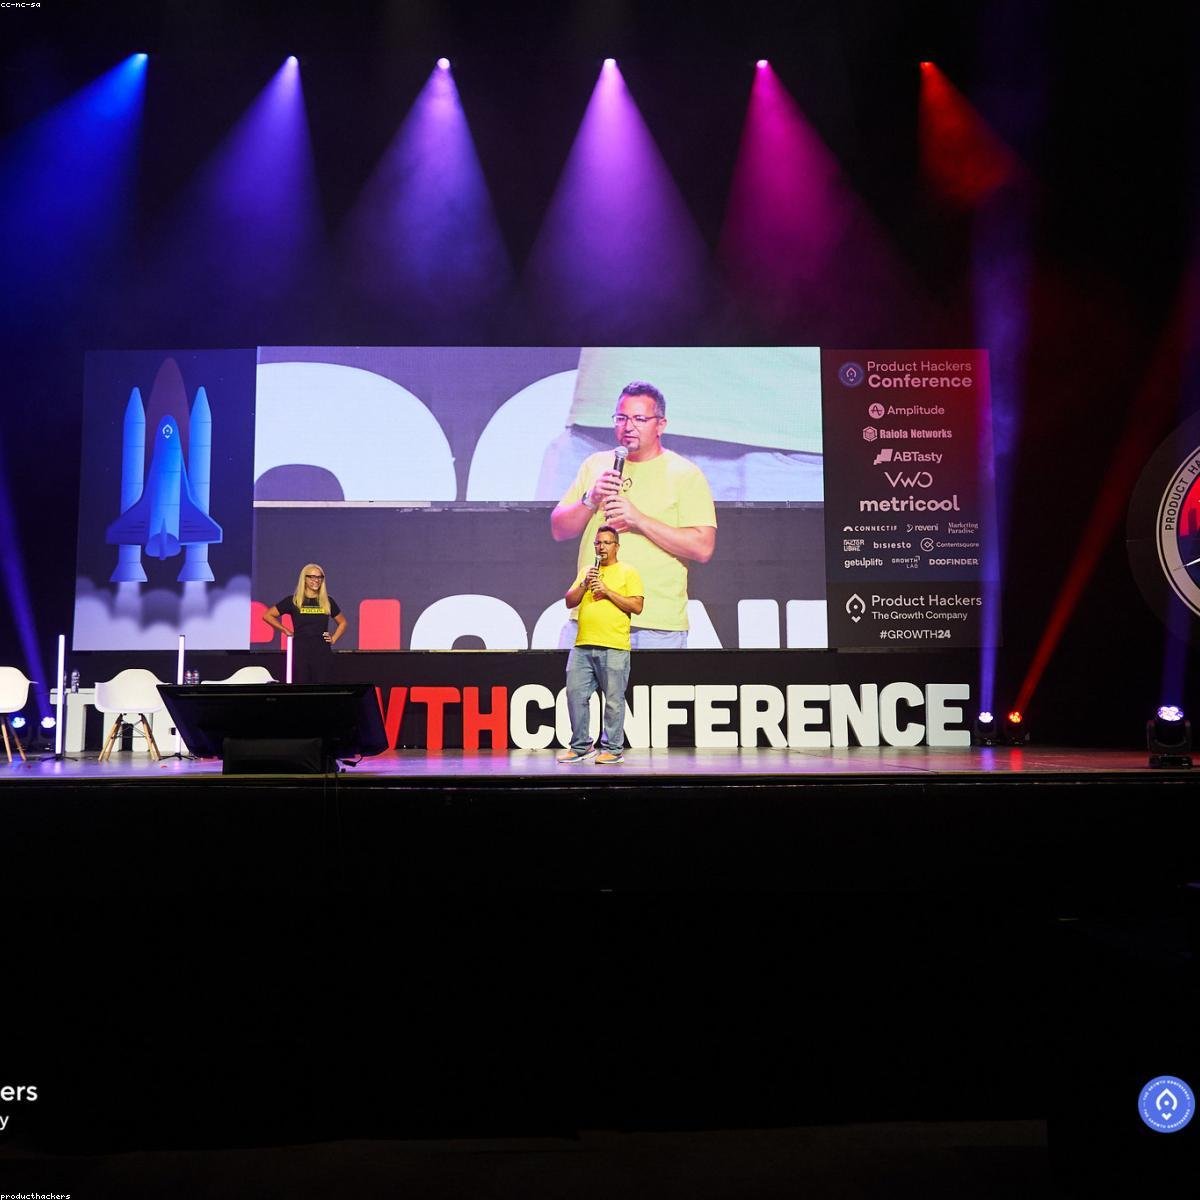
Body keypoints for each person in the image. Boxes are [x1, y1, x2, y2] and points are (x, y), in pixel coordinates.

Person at [550, 381, 716, 649]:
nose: (628, 427)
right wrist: (591, 498)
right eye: (621, 418)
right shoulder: (596, 465)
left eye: (639, 419)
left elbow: (703, 547)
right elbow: (559, 529)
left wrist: (638, 520)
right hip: (591, 617)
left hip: (654, 626)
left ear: (660, 424)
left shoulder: (685, 474)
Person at [557, 526, 643, 765]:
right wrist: (585, 584)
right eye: (598, 543)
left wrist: (607, 591)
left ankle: (613, 750)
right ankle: (581, 746)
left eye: (606, 543)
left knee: (613, 701)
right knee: (575, 694)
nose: (601, 547)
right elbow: (569, 601)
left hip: (614, 646)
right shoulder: (588, 571)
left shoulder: (628, 572)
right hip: (583, 645)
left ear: (616, 546)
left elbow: (637, 606)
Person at [263, 563, 348, 684]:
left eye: (319, 577)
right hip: (300, 651)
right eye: (312, 577)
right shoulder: (293, 600)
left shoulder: (327, 601)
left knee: (322, 688)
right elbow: (268, 615)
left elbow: (343, 622)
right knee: (302, 687)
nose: (316, 580)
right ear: (304, 578)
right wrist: (285, 630)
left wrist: (333, 638)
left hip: (322, 652)